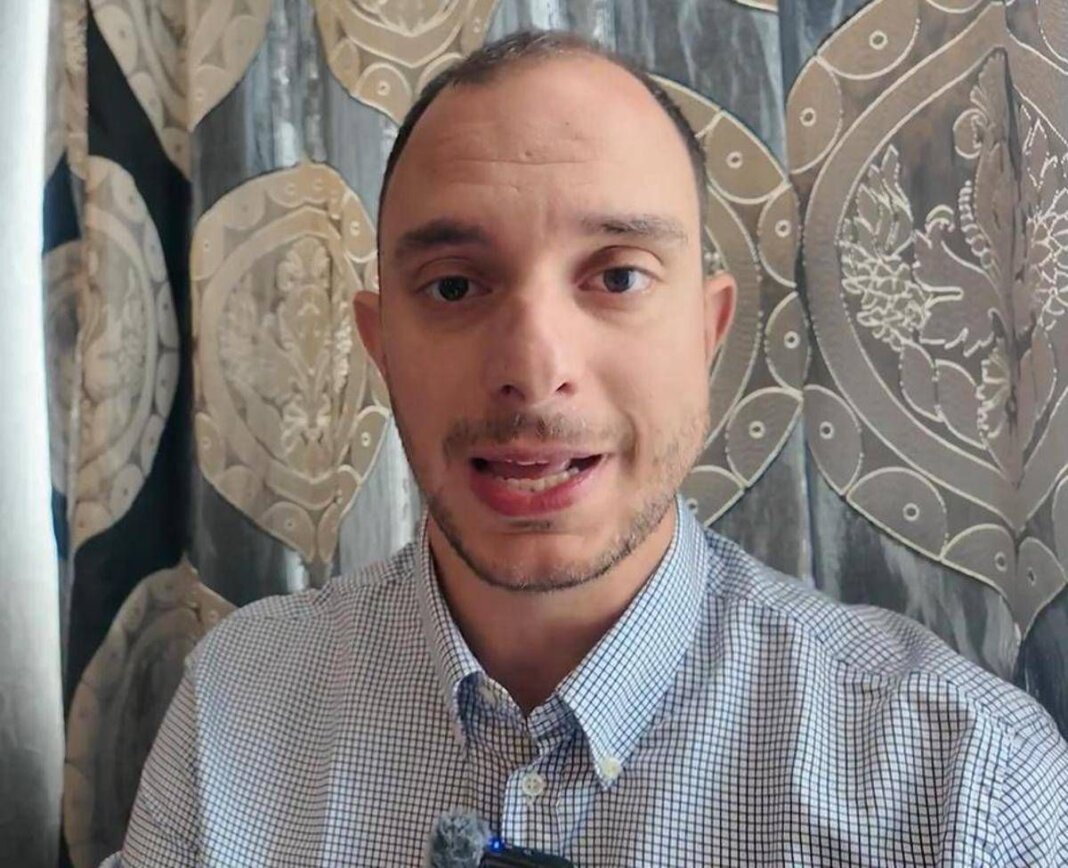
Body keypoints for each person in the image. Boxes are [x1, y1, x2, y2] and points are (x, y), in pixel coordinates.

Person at [106, 29, 1067, 867]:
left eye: (617, 277)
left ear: (707, 332)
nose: (534, 370)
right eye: (454, 286)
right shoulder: (235, 707)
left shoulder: (965, 782)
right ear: (380, 343)